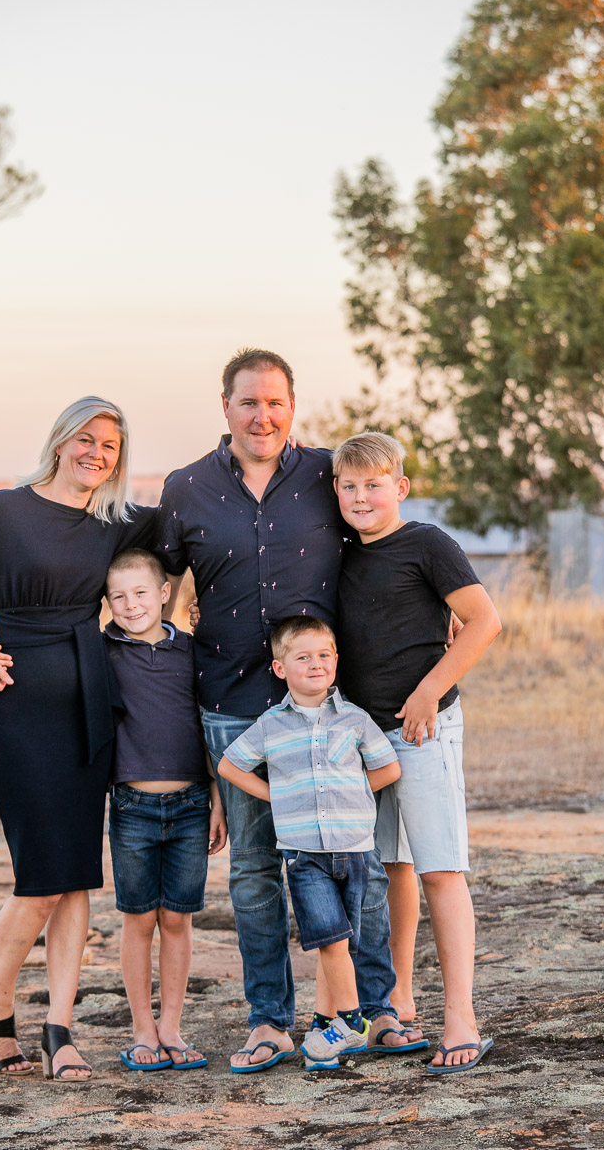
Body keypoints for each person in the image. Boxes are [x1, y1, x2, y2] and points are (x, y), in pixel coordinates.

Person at [155, 348, 425, 1071]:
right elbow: (157, 592)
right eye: (248, 402)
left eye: (274, 402)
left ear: (292, 406)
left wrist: (439, 614)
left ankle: (371, 1012)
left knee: (351, 863)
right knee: (252, 869)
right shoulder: (184, 490)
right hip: (233, 705)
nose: (262, 415)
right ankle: (268, 1020)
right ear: (225, 407)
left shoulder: (326, 474)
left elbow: (382, 543)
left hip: (327, 707)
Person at [0, 397, 155, 1080]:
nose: (96, 454)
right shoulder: (3, 511)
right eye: (86, 440)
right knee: (40, 875)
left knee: (79, 874)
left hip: (90, 710)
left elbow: (191, 540)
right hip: (17, 711)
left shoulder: (113, 526)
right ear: (61, 442)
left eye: (110, 446)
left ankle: (60, 1027)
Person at [332, 431, 503, 1075]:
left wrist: (430, 691)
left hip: (425, 728)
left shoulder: (428, 543)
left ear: (400, 487)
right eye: (347, 486)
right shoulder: (340, 552)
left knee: (438, 867)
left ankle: (460, 1015)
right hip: (363, 737)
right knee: (387, 867)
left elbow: (483, 621)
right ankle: (396, 1000)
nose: (360, 496)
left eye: (374, 484)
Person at [218, 616, 402, 1072]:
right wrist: (275, 797)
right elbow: (230, 766)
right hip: (304, 855)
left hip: (359, 848)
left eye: (324, 655)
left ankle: (378, 1016)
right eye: (303, 657)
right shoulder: (270, 725)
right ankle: (351, 1022)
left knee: (371, 936)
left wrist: (357, 792)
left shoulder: (355, 719)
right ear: (280, 669)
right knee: (330, 938)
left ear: (336, 661)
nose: (316, 664)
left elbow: (388, 769)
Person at [102, 549, 227, 1072]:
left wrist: (218, 797)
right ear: (106, 604)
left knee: (177, 918)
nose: (131, 605)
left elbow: (206, 728)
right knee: (138, 920)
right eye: (118, 597)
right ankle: (142, 1030)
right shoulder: (101, 649)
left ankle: (172, 1026)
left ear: (164, 594)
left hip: (192, 803)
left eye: (140, 593)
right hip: (131, 805)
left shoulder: (190, 651)